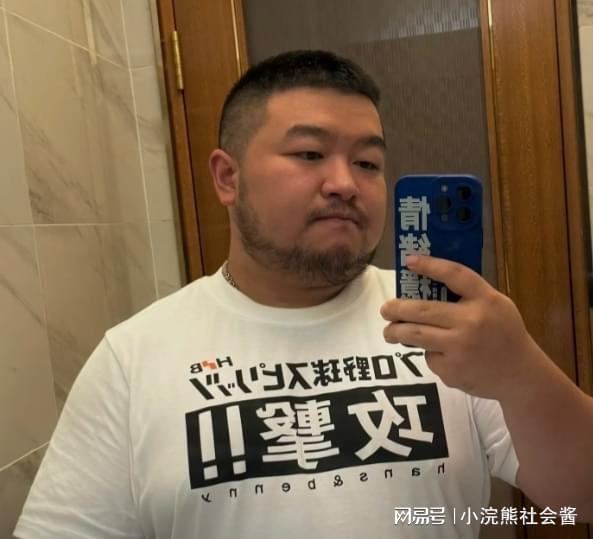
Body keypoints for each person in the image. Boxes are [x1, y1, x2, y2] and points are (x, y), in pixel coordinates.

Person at [14, 49, 592, 539]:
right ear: (228, 177)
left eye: (367, 162)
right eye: (310, 154)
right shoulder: (133, 357)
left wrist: (521, 372)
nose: (345, 183)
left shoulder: (451, 328)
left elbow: (581, 499)